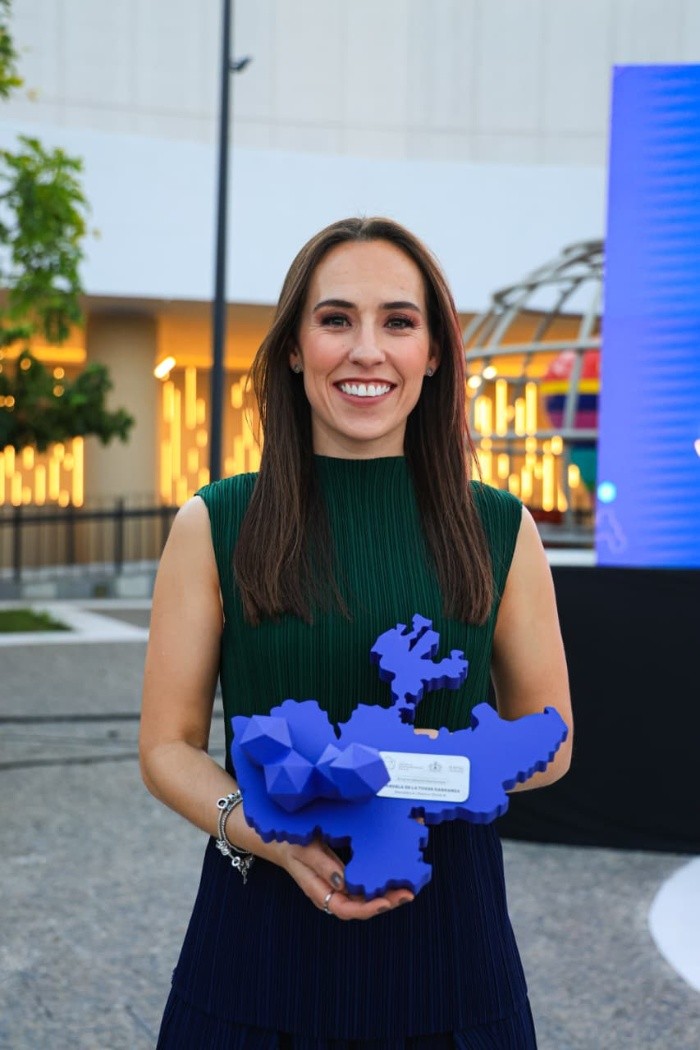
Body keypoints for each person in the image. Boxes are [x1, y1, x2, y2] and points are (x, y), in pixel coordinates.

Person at [139, 215, 573, 1049]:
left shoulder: (499, 527)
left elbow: (552, 741)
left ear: (434, 353)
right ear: (294, 350)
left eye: (398, 322)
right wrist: (267, 832)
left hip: (454, 966)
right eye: (336, 319)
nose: (366, 350)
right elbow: (166, 745)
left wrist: (434, 764)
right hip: (254, 959)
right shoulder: (216, 522)